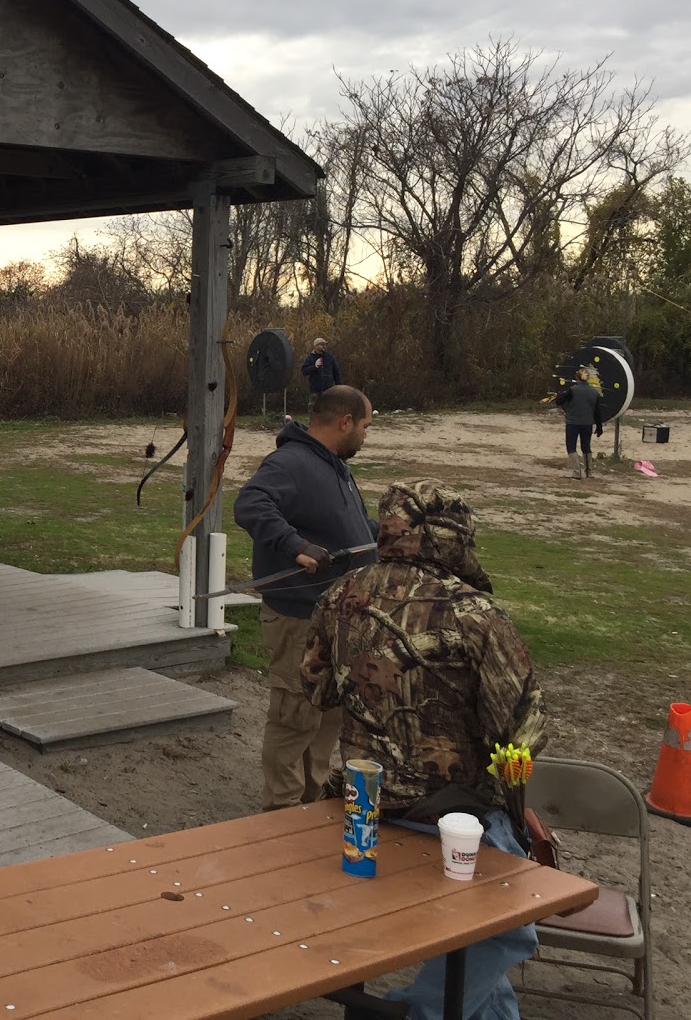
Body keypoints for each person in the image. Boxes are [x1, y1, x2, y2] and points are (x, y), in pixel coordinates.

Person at [302, 478, 546, 1020]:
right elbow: (522, 728)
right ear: (450, 535)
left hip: (363, 804)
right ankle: (412, 1013)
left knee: (490, 977)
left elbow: (315, 687)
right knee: (509, 932)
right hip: (453, 814)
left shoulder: (341, 596)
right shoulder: (474, 614)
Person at [232, 385, 378, 811]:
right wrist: (295, 545)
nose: (367, 436)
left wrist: (383, 535)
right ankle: (281, 809)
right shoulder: (290, 463)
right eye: (366, 426)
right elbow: (251, 503)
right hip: (299, 617)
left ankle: (310, 803)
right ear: (345, 422)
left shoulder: (335, 466)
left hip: (339, 614)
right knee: (295, 715)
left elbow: (346, 524)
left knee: (329, 712)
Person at [553, 365, 605, 479]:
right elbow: (597, 411)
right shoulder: (594, 392)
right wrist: (599, 426)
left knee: (571, 446)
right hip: (587, 423)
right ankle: (588, 472)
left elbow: (559, 401)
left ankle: (577, 472)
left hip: (573, 422)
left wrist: (565, 403)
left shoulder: (572, 390)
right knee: (586, 447)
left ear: (577, 377)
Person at [300, 337, 342, 411]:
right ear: (316, 346)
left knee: (329, 409)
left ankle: (328, 422)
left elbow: (336, 372)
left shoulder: (329, 357)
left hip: (329, 389)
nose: (324, 346)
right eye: (322, 345)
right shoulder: (310, 358)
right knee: (313, 409)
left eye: (325, 344)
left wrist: (338, 386)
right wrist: (314, 366)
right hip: (315, 389)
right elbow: (304, 371)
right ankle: (313, 422)